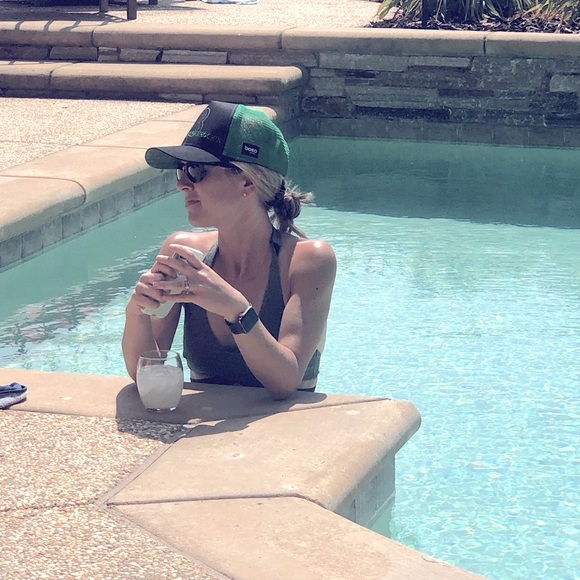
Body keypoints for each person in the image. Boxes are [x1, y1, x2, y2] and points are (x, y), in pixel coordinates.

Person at [122, 101, 336, 400]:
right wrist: (136, 312)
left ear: (246, 181)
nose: (182, 184)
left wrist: (235, 309)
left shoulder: (308, 260)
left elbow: (284, 382)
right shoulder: (183, 253)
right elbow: (146, 372)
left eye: (196, 171)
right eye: (181, 170)